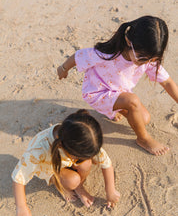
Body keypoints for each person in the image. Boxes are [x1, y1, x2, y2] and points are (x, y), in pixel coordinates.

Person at [57, 15, 178, 156]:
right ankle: (143, 139)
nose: (147, 62)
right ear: (128, 41)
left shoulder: (148, 59)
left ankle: (117, 108)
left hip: (118, 92)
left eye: (154, 59)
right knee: (132, 101)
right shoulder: (105, 54)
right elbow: (78, 56)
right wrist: (63, 69)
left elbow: (167, 82)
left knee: (144, 119)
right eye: (142, 58)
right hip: (97, 93)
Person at [12, 109, 120, 216]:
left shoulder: (82, 137)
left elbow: (106, 163)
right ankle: (65, 185)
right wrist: (21, 207)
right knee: (72, 180)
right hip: (50, 167)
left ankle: (79, 187)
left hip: (67, 158)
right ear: (62, 147)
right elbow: (19, 177)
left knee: (86, 163)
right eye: (78, 156)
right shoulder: (38, 150)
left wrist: (110, 190)